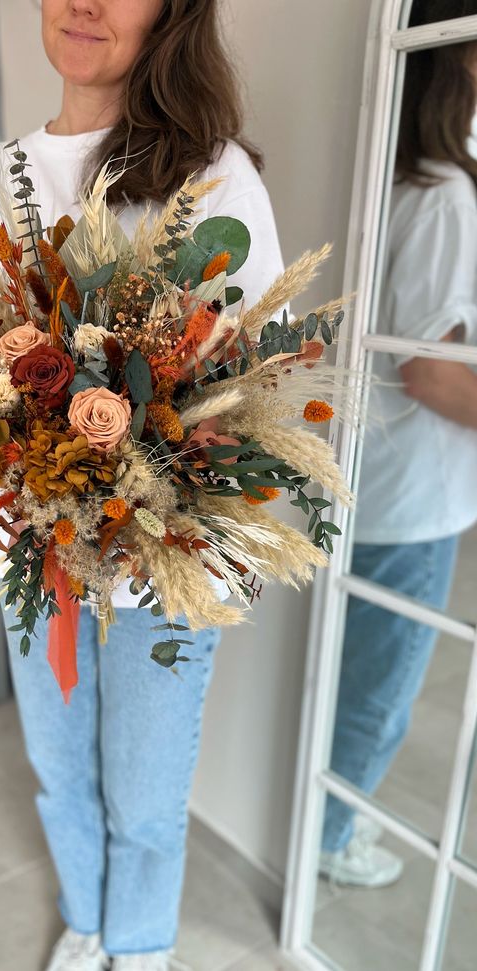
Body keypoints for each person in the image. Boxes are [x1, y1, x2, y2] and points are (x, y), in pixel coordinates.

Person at [0, 2, 285, 968]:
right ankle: (87, 920)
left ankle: (138, 947)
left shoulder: (210, 176)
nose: (85, 2)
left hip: (163, 562)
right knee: (60, 774)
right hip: (33, 555)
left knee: (144, 794)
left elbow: (251, 379)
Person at [319, 0, 477, 888]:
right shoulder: (446, 194)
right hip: (412, 497)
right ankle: (336, 837)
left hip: (371, 481)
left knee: (360, 675)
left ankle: (331, 825)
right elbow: (430, 371)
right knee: (379, 691)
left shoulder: (390, 180)